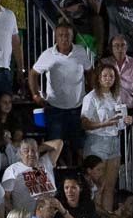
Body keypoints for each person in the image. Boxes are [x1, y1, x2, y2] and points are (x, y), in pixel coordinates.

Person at [30, 21, 93, 154]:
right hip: (55, 109)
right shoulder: (48, 54)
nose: (64, 38)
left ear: (72, 36)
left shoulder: (80, 51)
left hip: (78, 108)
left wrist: (91, 94)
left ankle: (82, 173)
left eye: (67, 35)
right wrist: (36, 94)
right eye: (61, 35)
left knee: (79, 146)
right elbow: (33, 73)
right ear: (55, 37)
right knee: (54, 145)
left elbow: (90, 72)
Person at [81, 63, 133, 215]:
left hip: (114, 140)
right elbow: (84, 123)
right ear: (98, 77)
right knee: (98, 185)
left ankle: (107, 217)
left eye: (111, 76)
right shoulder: (91, 97)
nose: (108, 79)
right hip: (98, 141)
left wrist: (126, 120)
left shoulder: (116, 96)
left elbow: (120, 119)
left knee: (110, 185)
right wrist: (104, 123)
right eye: (105, 76)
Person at [1, 137, 63, 213]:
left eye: (34, 150)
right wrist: (15, 216)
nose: (31, 153)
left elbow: (59, 143)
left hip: (52, 215)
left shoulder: (45, 162)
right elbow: (4, 198)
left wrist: (36, 148)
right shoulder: (12, 170)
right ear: (20, 154)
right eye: (26, 151)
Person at [104, 34, 133, 110]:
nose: (120, 48)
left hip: (129, 109)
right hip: (107, 109)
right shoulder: (104, 63)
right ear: (111, 48)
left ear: (127, 47)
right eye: (116, 45)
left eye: (123, 45)